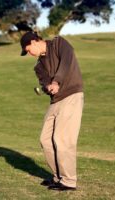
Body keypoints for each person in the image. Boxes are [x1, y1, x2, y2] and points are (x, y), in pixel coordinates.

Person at [20, 31, 84, 191]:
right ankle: (58, 176)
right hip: (56, 101)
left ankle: (69, 181)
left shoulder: (59, 43)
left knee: (63, 139)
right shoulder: (39, 66)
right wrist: (48, 87)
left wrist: (56, 81)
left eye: (28, 50)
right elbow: (44, 82)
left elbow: (66, 63)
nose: (29, 54)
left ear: (34, 42)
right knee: (45, 139)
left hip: (71, 95)